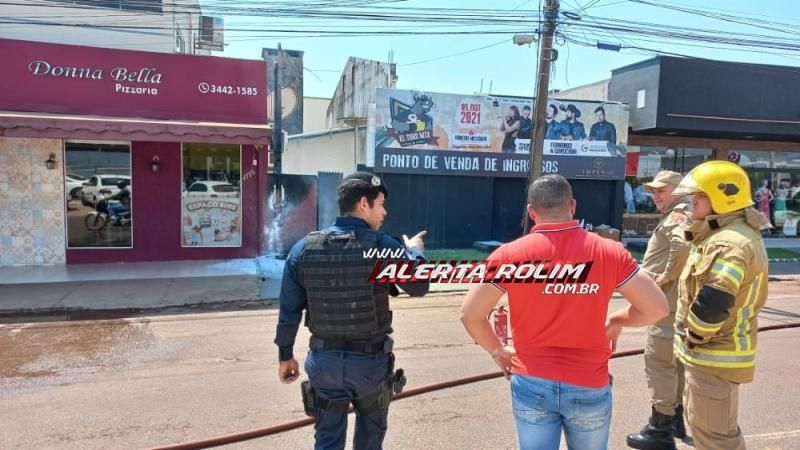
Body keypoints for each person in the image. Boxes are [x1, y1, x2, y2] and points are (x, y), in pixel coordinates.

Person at [460, 174, 668, 450]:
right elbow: (657, 308)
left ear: (532, 212)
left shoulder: (509, 256)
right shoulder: (609, 252)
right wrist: (617, 320)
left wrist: (498, 351)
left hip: (532, 379)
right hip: (589, 381)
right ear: (572, 206)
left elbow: (470, 315)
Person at [275, 172, 429, 450]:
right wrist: (415, 252)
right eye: (380, 204)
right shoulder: (383, 248)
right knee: (369, 443)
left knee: (327, 441)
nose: (385, 212)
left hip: (324, 364)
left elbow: (289, 310)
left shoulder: (303, 249)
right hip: (369, 365)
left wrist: (285, 355)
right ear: (363, 203)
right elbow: (419, 286)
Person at [671, 161, 769, 450]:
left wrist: (693, 337)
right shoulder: (723, 235)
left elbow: (713, 302)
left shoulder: (728, 243)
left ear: (722, 198)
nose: (692, 204)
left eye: (698, 198)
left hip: (714, 356)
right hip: (710, 358)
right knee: (707, 431)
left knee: (716, 440)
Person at [626, 171, 692, 449]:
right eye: (653, 191)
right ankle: (675, 419)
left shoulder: (679, 215)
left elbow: (681, 243)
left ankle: (660, 430)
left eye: (661, 191)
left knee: (659, 363)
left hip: (666, 302)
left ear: (678, 190)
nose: (655, 197)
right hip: (673, 302)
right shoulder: (683, 213)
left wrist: (664, 277)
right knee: (673, 364)